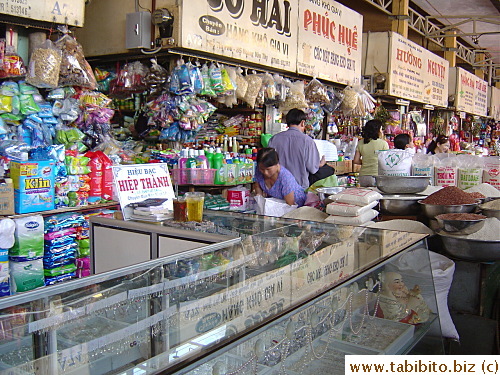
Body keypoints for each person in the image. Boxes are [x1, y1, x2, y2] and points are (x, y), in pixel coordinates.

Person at [268, 108, 334, 189]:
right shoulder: (307, 141)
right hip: (298, 188)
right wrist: (321, 163)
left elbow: (268, 163)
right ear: (303, 123)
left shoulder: (274, 139)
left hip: (277, 186)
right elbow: (313, 168)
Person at [353, 119, 389, 187]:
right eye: (381, 129)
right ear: (377, 131)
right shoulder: (383, 144)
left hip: (363, 176)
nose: (382, 132)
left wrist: (366, 161)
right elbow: (386, 162)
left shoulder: (361, 142)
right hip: (377, 176)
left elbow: (356, 161)